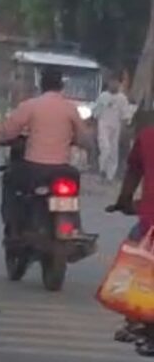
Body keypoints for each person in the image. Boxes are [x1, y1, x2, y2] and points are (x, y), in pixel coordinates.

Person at [0, 65, 93, 229]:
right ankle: (72, 226)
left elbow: (8, 132)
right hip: (62, 169)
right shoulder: (70, 108)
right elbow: (85, 138)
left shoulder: (30, 106)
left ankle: (12, 224)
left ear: (41, 85)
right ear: (61, 86)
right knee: (71, 189)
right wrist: (76, 141)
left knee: (10, 177)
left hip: (33, 168)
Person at [106, 114, 154, 355]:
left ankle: (135, 320)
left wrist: (124, 201)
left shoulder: (148, 137)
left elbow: (134, 171)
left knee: (135, 250)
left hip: (151, 225)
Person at [94, 76, 134, 182]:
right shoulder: (103, 96)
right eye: (112, 82)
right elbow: (96, 113)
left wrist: (123, 130)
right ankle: (102, 170)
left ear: (119, 84)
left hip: (116, 128)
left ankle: (109, 176)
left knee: (113, 152)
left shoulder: (122, 98)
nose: (114, 85)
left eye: (116, 82)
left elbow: (125, 116)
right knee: (105, 148)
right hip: (103, 126)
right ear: (109, 83)